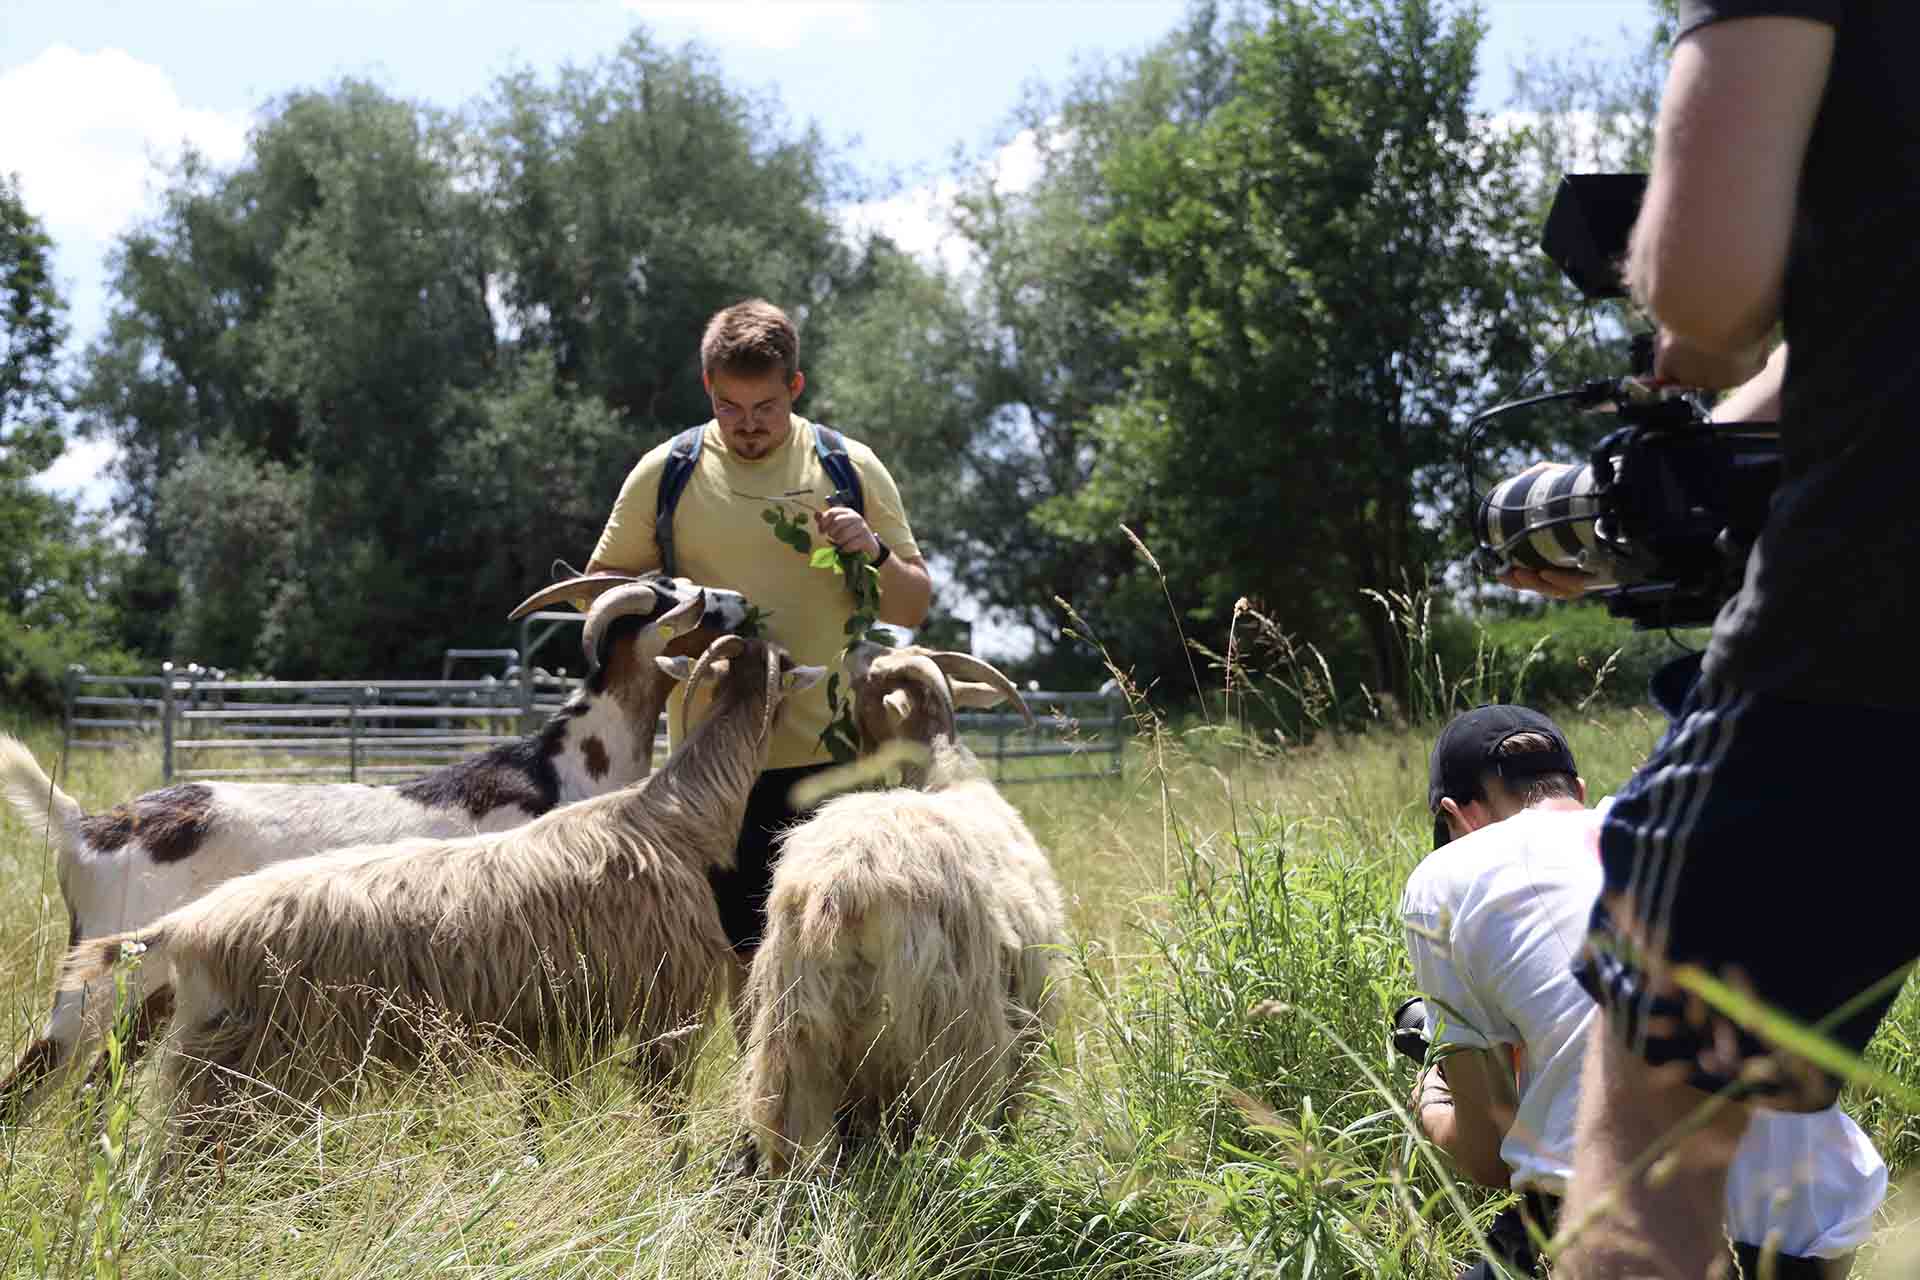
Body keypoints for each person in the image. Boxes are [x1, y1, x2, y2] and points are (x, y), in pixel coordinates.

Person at [1495, 5, 1920, 1275]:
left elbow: (1710, 283)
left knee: (1653, 1150)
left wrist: (1681, 344)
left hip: (1864, 657)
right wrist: (1668, 489)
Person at [1402, 706, 1883, 1280]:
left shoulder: (1447, 872)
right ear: (1578, 790)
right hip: (1817, 1218)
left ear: (1455, 816)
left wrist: (1432, 1101)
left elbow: (1487, 1157)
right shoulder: (1666, 827)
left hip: (1638, 1227)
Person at [583, 298, 931, 964]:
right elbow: (601, 596)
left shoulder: (846, 467)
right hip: (712, 765)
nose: (747, 427)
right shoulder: (668, 472)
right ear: (708, 389)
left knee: (839, 958)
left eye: (766, 407)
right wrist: (675, 618)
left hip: (834, 758)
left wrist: (874, 554)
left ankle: (839, 1074)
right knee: (739, 957)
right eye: (729, 408)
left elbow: (912, 608)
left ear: (795, 387)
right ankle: (754, 1072)